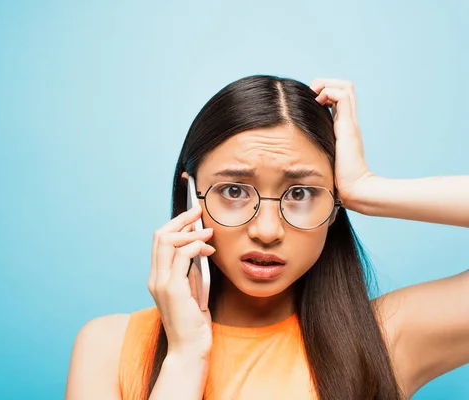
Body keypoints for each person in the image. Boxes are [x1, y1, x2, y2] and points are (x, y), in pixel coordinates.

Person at [65, 75, 469, 399]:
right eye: (234, 191)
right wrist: (186, 357)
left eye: (301, 193)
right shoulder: (108, 347)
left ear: (334, 205)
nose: (267, 231)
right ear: (191, 197)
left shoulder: (389, 339)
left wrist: (367, 189)